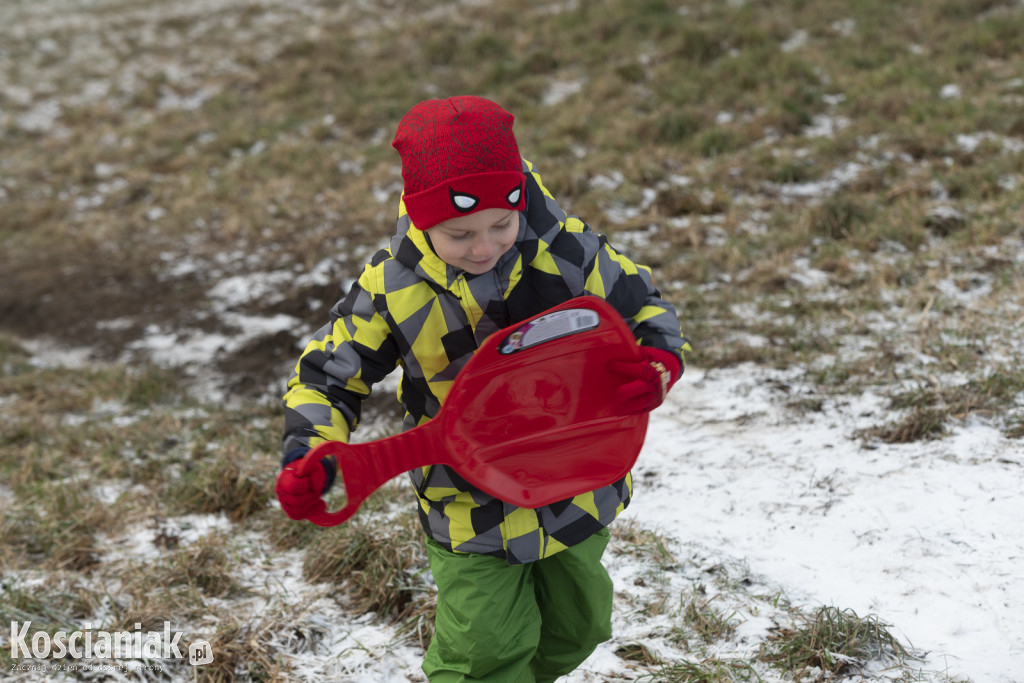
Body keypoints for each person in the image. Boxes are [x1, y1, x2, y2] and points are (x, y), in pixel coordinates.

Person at [275, 95, 689, 682]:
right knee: (483, 656)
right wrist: (310, 450)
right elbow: (327, 375)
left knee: (578, 628)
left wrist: (656, 362)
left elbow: (643, 308)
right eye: (460, 232)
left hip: (573, 487)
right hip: (468, 506)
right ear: (423, 220)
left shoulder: (567, 254)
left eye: (501, 224)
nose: (484, 246)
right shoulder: (392, 287)